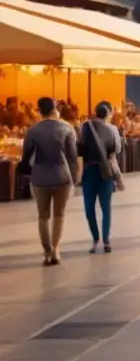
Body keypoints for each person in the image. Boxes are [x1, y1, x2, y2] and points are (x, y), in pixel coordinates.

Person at [19, 97, 78, 266]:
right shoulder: (67, 128)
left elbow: (26, 157)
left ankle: (46, 252)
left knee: (43, 216)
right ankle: (56, 249)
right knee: (59, 214)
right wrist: (73, 177)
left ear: (39, 111)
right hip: (62, 176)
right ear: (55, 110)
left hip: (39, 177)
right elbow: (72, 157)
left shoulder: (32, 131)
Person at [79, 102, 124, 254]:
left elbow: (79, 148)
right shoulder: (112, 129)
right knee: (106, 207)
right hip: (106, 172)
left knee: (89, 208)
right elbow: (116, 151)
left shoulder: (85, 127)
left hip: (89, 171)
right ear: (108, 114)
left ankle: (95, 238)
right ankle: (106, 240)